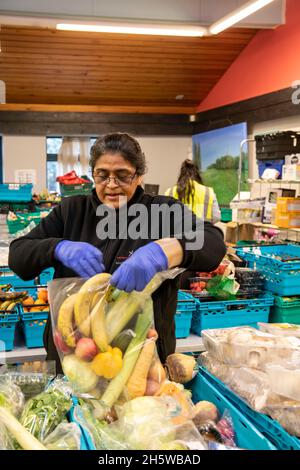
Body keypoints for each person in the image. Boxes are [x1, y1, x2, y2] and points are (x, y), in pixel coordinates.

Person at [9, 133, 226, 373]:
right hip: (73, 356)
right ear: (93, 174)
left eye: (122, 175)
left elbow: (213, 243)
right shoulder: (71, 211)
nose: (111, 185)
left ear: (139, 175)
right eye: (102, 175)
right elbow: (18, 256)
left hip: (143, 359)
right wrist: (57, 247)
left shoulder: (162, 211)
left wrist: (163, 252)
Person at [165, 159, 221, 224]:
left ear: (181, 173)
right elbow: (216, 217)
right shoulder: (208, 192)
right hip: (203, 232)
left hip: (177, 233)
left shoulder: (170, 192)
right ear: (197, 173)